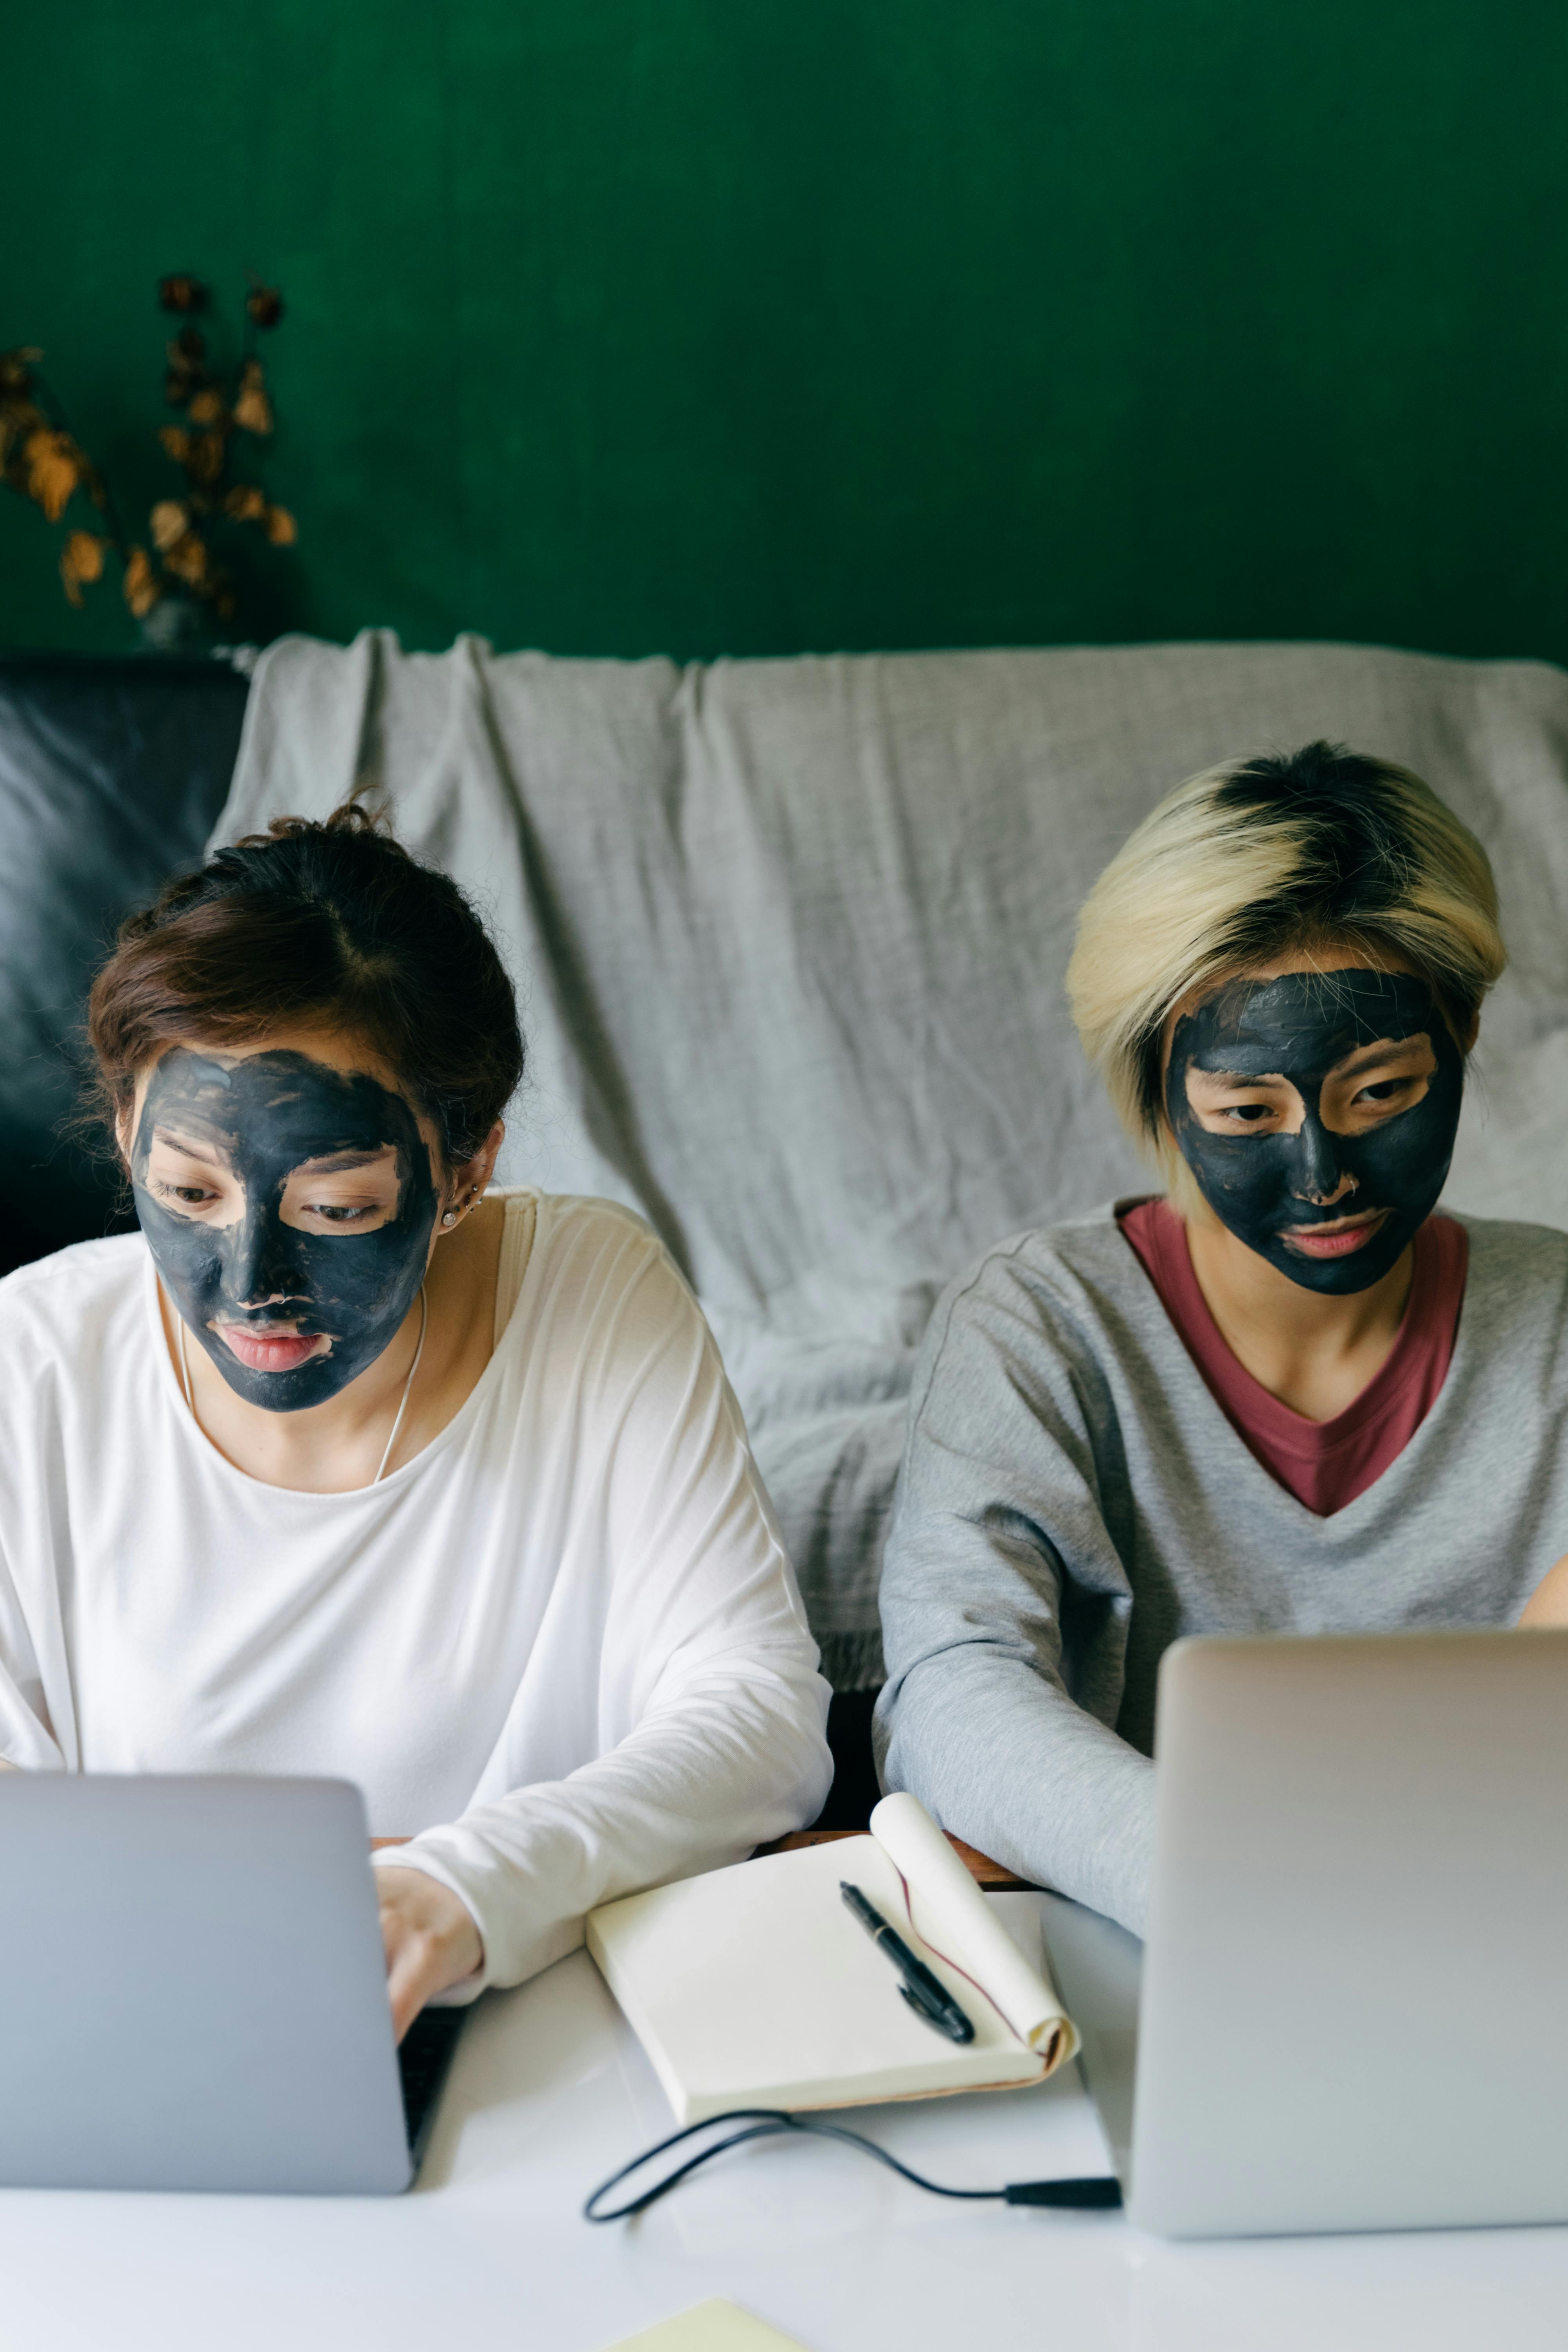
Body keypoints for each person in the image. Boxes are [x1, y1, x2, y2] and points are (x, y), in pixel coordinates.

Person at [0, 804, 831, 2035]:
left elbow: (757, 1712)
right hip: (139, 2034)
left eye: (335, 1208)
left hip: (531, 2038)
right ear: (126, 1132)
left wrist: (458, 1886)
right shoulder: (37, 1355)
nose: (250, 1286)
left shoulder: (590, 1296)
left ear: (466, 1166)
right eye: (184, 1191)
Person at [874, 741, 1568, 1934]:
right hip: (1162, 1948)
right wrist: (1249, 1894)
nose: (1325, 1174)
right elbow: (949, 1695)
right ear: (1157, 1092)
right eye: (1248, 1112)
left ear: (1460, 1041)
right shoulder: (1042, 1330)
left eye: (1385, 1093)